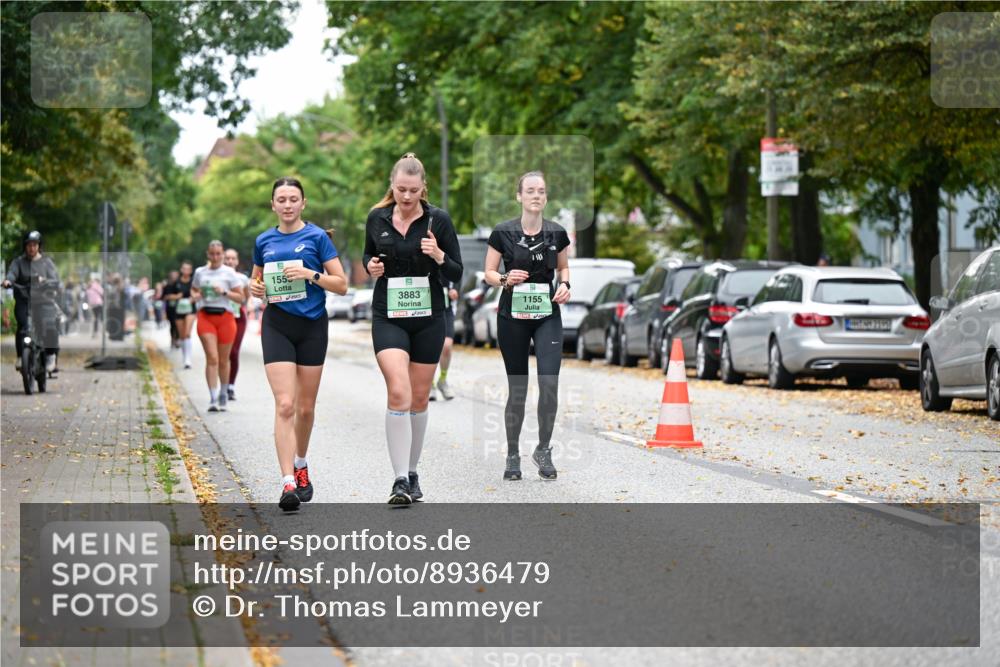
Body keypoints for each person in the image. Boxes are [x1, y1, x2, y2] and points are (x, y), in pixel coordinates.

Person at [364, 153, 463, 505]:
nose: (407, 197)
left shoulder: (439, 220)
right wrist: (371, 266)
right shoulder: (377, 218)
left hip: (428, 317)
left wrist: (438, 255)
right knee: (399, 392)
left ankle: (413, 470)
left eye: (413, 191)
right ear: (392, 186)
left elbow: (456, 272)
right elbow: (367, 256)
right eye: (401, 190)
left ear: (424, 189)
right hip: (388, 314)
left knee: (419, 399)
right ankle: (399, 480)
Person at [249, 177, 348, 511]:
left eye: (293, 199)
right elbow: (256, 280)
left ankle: (301, 462)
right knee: (285, 405)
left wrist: (310, 274)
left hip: (312, 326)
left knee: (305, 408)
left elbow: (342, 285)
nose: (288, 205)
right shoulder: (264, 240)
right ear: (273, 205)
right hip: (277, 324)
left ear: (303, 203)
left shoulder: (317, 238)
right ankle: (287, 481)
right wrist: (256, 289)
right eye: (281, 199)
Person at [483, 171, 571, 481]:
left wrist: (566, 285)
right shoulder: (502, 232)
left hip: (546, 314)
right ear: (519, 196)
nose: (536, 195)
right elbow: (489, 273)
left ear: (546, 198)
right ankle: (512, 454)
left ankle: (544, 449)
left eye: (541, 191)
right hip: (512, 317)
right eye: (530, 190)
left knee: (549, 382)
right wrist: (506, 279)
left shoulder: (557, 233)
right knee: (518, 388)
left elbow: (563, 267)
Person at [192, 241, 245, 413]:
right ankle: (213, 397)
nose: (215, 257)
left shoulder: (229, 273)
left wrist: (223, 292)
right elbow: (193, 292)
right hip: (205, 316)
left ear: (222, 255)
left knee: (224, 360)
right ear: (207, 254)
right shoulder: (200, 272)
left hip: (225, 317)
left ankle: (224, 391)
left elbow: (240, 298)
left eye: (218, 254)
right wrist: (198, 295)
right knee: (212, 358)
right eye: (212, 254)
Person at [3, 230, 62, 374]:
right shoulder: (18, 262)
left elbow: (56, 279)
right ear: (25, 246)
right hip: (24, 300)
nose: (31, 248)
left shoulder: (46, 262)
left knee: (49, 326)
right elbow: (12, 273)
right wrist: (8, 281)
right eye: (29, 245)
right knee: (22, 327)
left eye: (34, 245)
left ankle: (50, 356)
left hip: (44, 301)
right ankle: (20, 356)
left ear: (39, 246)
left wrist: (47, 281)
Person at [224, 248, 251, 401]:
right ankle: (222, 385)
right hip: (222, 316)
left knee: (233, 352)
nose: (230, 261)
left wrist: (249, 305)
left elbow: (247, 297)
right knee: (223, 354)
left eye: (233, 258)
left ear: (237, 261)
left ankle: (230, 386)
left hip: (238, 317)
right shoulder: (217, 277)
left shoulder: (242, 278)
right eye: (227, 258)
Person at [429, 276, 459, 401]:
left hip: (445, 309)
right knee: (428, 347)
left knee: (446, 346)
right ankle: (429, 383)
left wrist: (455, 289)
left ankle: (443, 380)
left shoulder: (447, 256)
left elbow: (457, 272)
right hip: (424, 308)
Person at [162, 262, 196, 367]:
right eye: (184, 269)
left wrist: (193, 297)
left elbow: (199, 293)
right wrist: (177, 296)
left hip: (190, 309)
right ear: (181, 270)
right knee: (182, 336)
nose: (186, 271)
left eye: (188, 269)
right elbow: (166, 296)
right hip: (178, 310)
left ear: (190, 271)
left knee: (187, 333)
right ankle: (184, 356)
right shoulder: (175, 283)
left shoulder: (194, 282)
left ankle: (188, 359)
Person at [162, 269, 181, 347]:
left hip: (179, 308)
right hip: (170, 308)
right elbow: (163, 297)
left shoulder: (180, 285)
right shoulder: (166, 286)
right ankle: (173, 339)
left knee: (178, 325)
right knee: (172, 324)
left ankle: (177, 339)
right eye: (172, 275)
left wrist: (173, 297)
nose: (174, 277)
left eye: (175, 275)